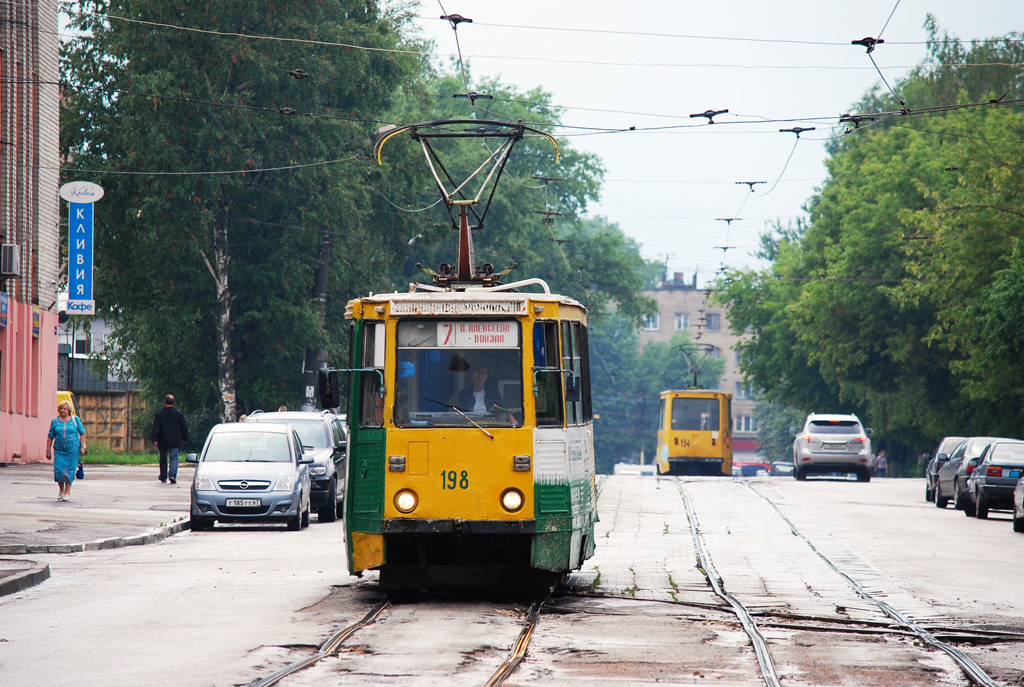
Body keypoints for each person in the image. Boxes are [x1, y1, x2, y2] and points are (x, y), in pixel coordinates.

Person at [46, 400, 86, 501]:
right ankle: (61, 490)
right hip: (59, 449)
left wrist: (82, 447)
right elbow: (50, 436)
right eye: (61, 409)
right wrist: (48, 450)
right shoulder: (54, 421)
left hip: (72, 449)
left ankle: (68, 491)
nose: (62, 410)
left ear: (69, 410)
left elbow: (82, 433)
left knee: (69, 471)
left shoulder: (75, 420)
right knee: (58, 470)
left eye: (65, 409)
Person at [152, 394, 188, 484]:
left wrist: (155, 439)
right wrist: (184, 438)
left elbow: (156, 428)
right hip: (175, 440)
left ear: (164, 402)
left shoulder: (159, 414)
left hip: (163, 440)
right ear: (173, 402)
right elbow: (184, 427)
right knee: (174, 457)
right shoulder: (178, 414)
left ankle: (163, 476)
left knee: (163, 458)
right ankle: (172, 475)